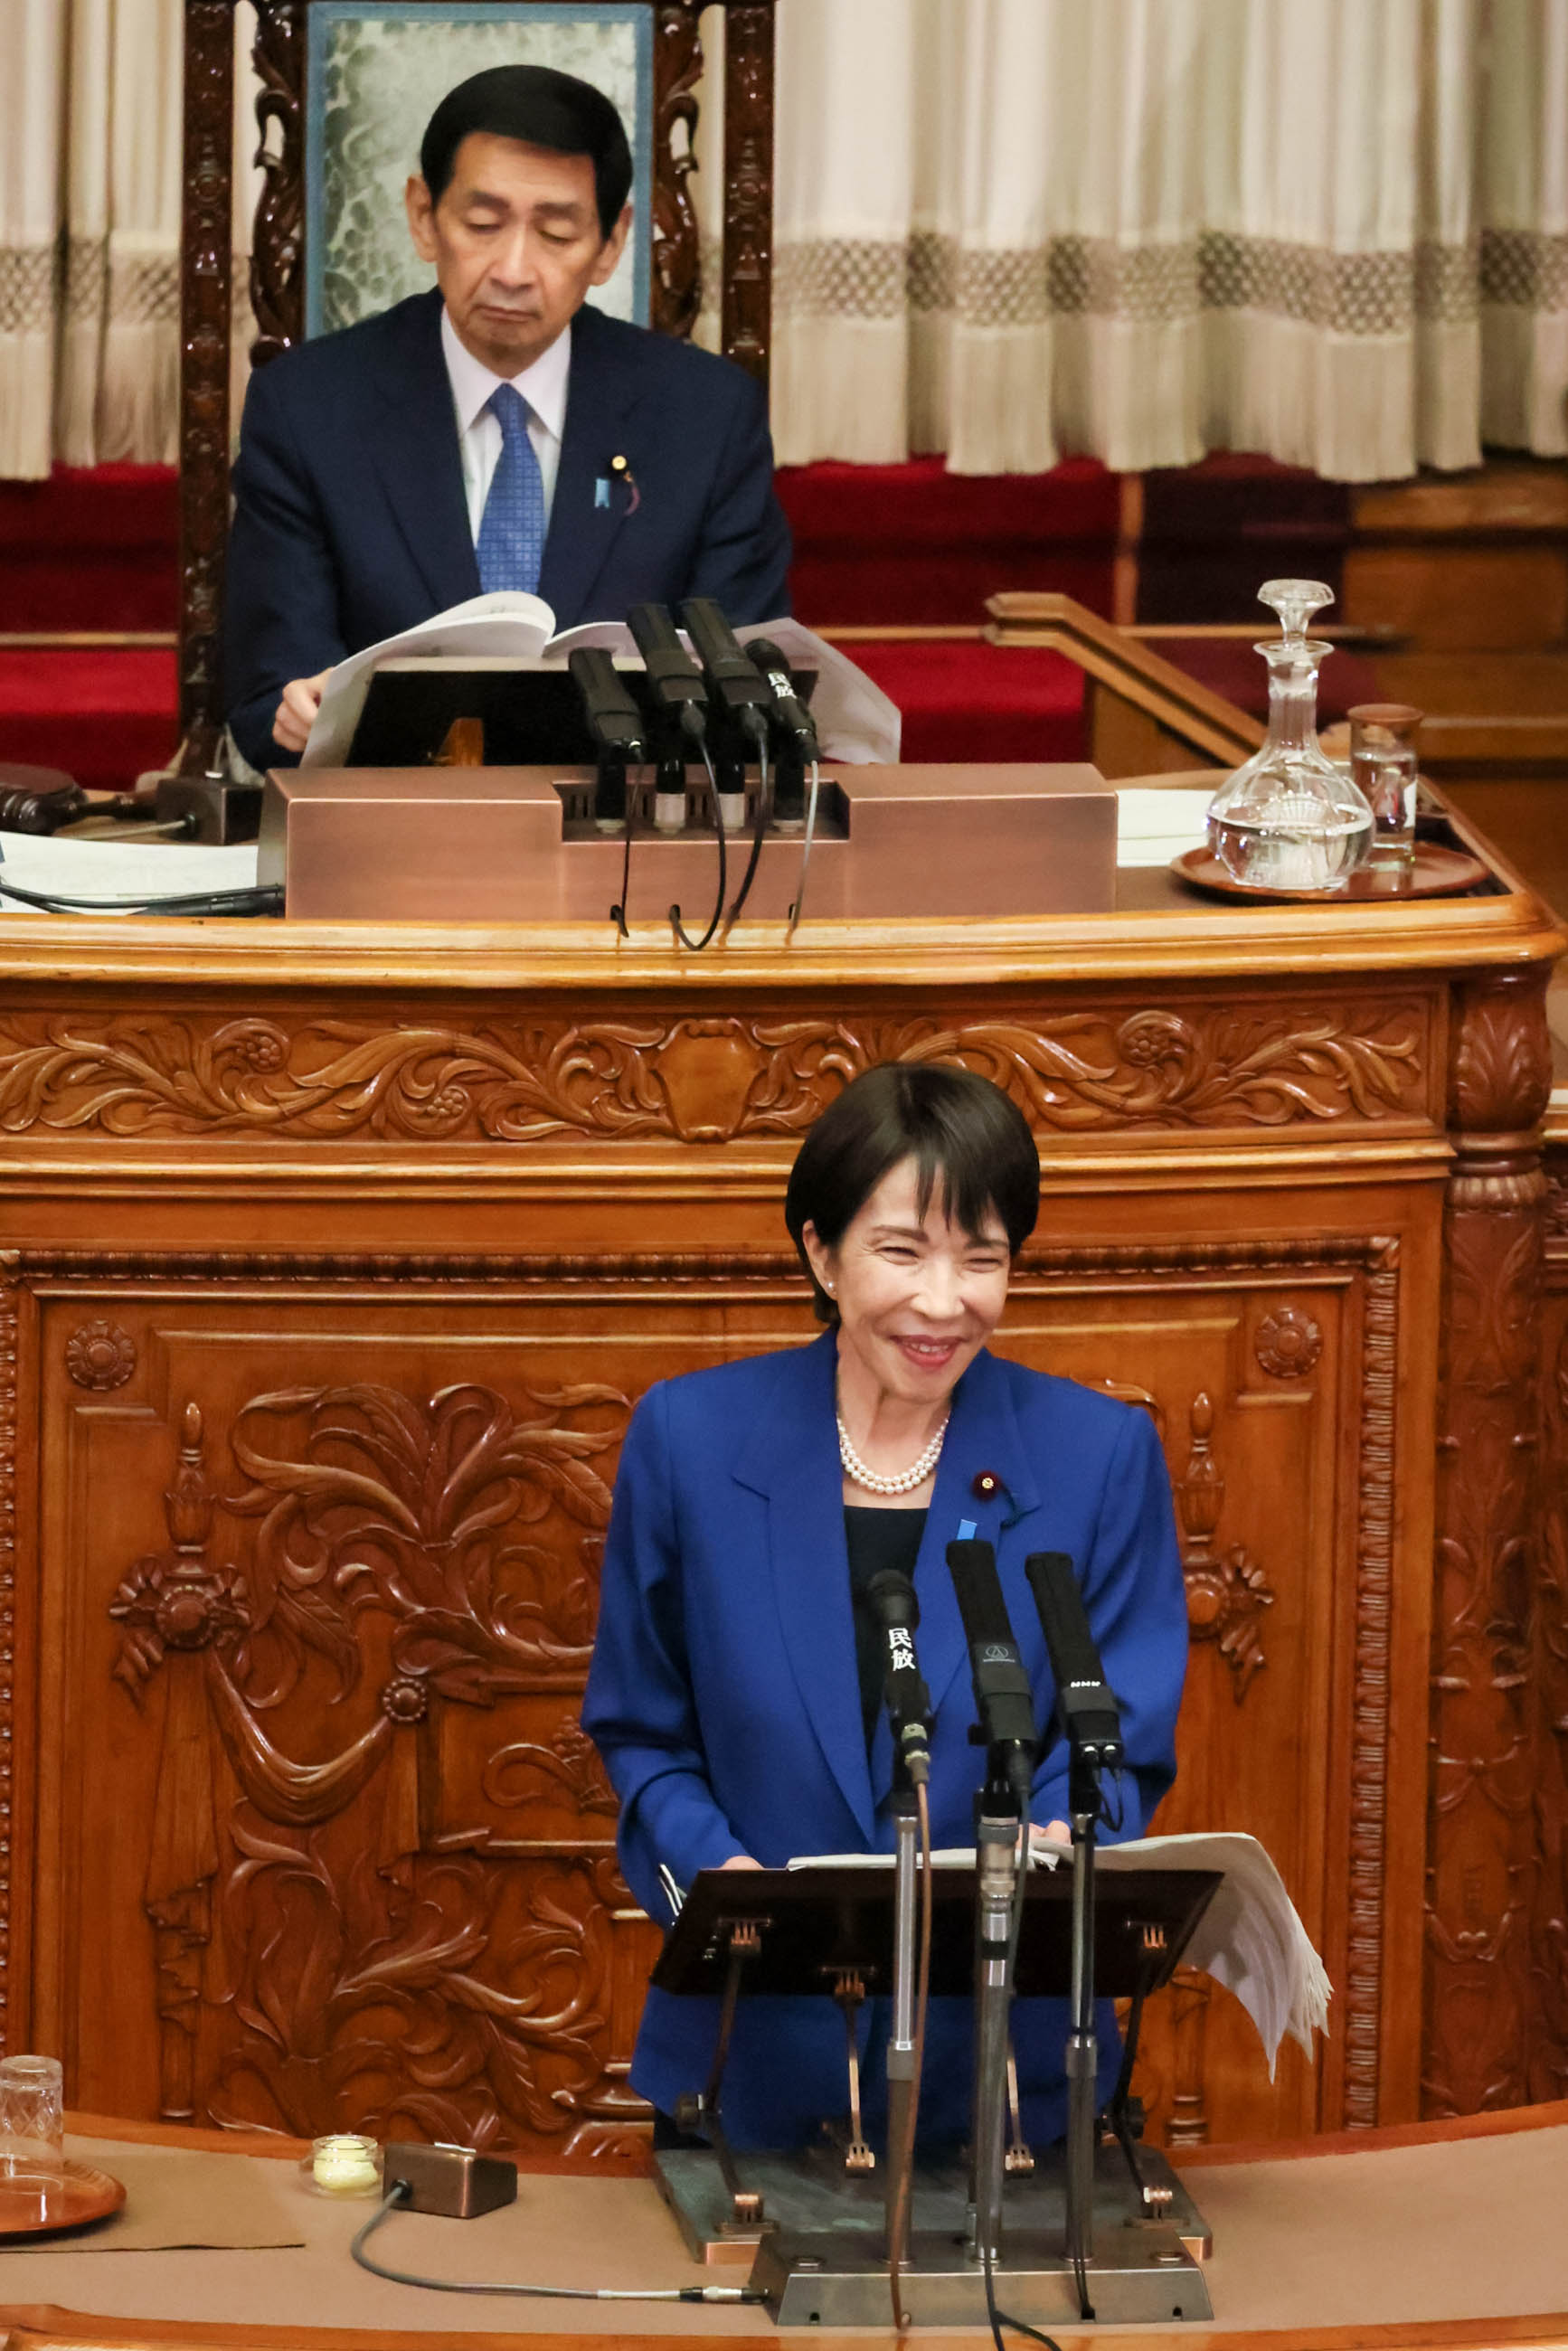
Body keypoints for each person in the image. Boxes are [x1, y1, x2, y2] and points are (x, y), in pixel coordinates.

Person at [582, 1062, 1189, 2152]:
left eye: (984, 1258)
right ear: (820, 1250)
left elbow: (1122, 1733)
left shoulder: (1098, 1458)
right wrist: (723, 1884)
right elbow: (641, 1727)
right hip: (751, 2045)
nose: (944, 1301)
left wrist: (1054, 1841)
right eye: (903, 1250)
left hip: (1008, 2064)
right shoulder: (691, 1441)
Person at [223, 63, 792, 776]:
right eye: (483, 224)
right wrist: (298, 711)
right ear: (423, 217)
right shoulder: (307, 409)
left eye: (556, 233)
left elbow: (745, 691)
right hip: (389, 841)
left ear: (612, 244)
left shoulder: (706, 418)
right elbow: (260, 696)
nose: (514, 269)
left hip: (628, 844)